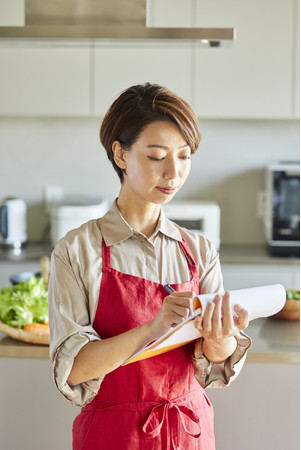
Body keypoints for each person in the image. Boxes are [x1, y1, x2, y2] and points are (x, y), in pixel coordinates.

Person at [48, 82, 252, 450]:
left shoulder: (199, 250)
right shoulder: (77, 250)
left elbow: (212, 366)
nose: (173, 173)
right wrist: (154, 328)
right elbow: (74, 369)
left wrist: (220, 337)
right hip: (113, 436)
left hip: (189, 431)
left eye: (185, 156)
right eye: (157, 156)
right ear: (121, 155)